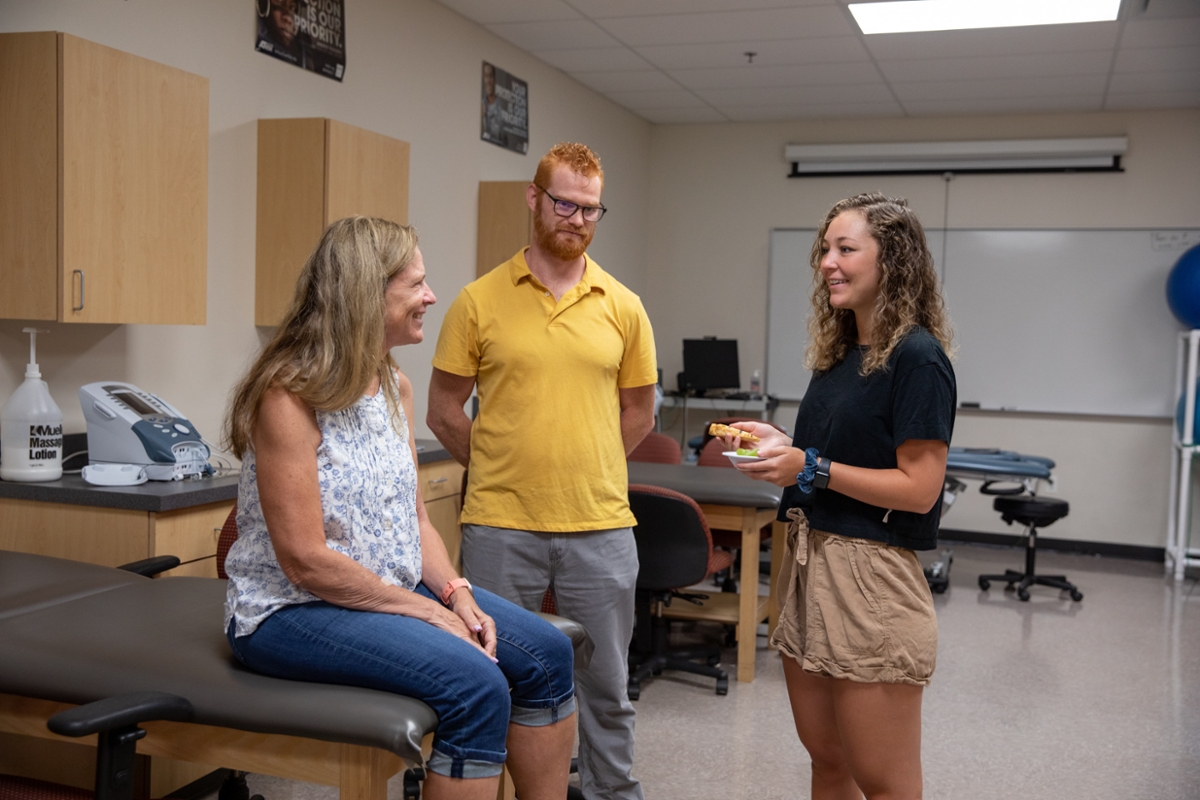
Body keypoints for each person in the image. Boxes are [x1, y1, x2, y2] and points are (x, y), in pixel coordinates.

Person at [221, 216, 576, 800]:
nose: (431, 297)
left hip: (386, 589)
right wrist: (427, 613)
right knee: (477, 684)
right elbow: (306, 561)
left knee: (547, 656)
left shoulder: (393, 386)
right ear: (365, 295)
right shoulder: (287, 397)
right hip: (289, 611)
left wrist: (455, 593)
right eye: (415, 285)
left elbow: (413, 520)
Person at [428, 142, 657, 800]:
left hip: (602, 527)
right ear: (533, 198)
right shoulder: (478, 301)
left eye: (590, 209)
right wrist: (503, 464)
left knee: (607, 686)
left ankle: (615, 793)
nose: (577, 219)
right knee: (491, 679)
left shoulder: (623, 305)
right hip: (501, 526)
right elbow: (444, 410)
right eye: (564, 203)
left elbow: (639, 410)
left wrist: (590, 463)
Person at [720, 193, 956, 800]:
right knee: (827, 762)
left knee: (885, 782)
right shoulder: (842, 354)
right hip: (806, 562)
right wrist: (783, 448)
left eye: (845, 249)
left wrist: (812, 467)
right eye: (825, 249)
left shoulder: (918, 358)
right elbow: (828, 457)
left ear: (892, 261)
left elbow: (921, 489)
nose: (827, 262)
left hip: (869, 581)